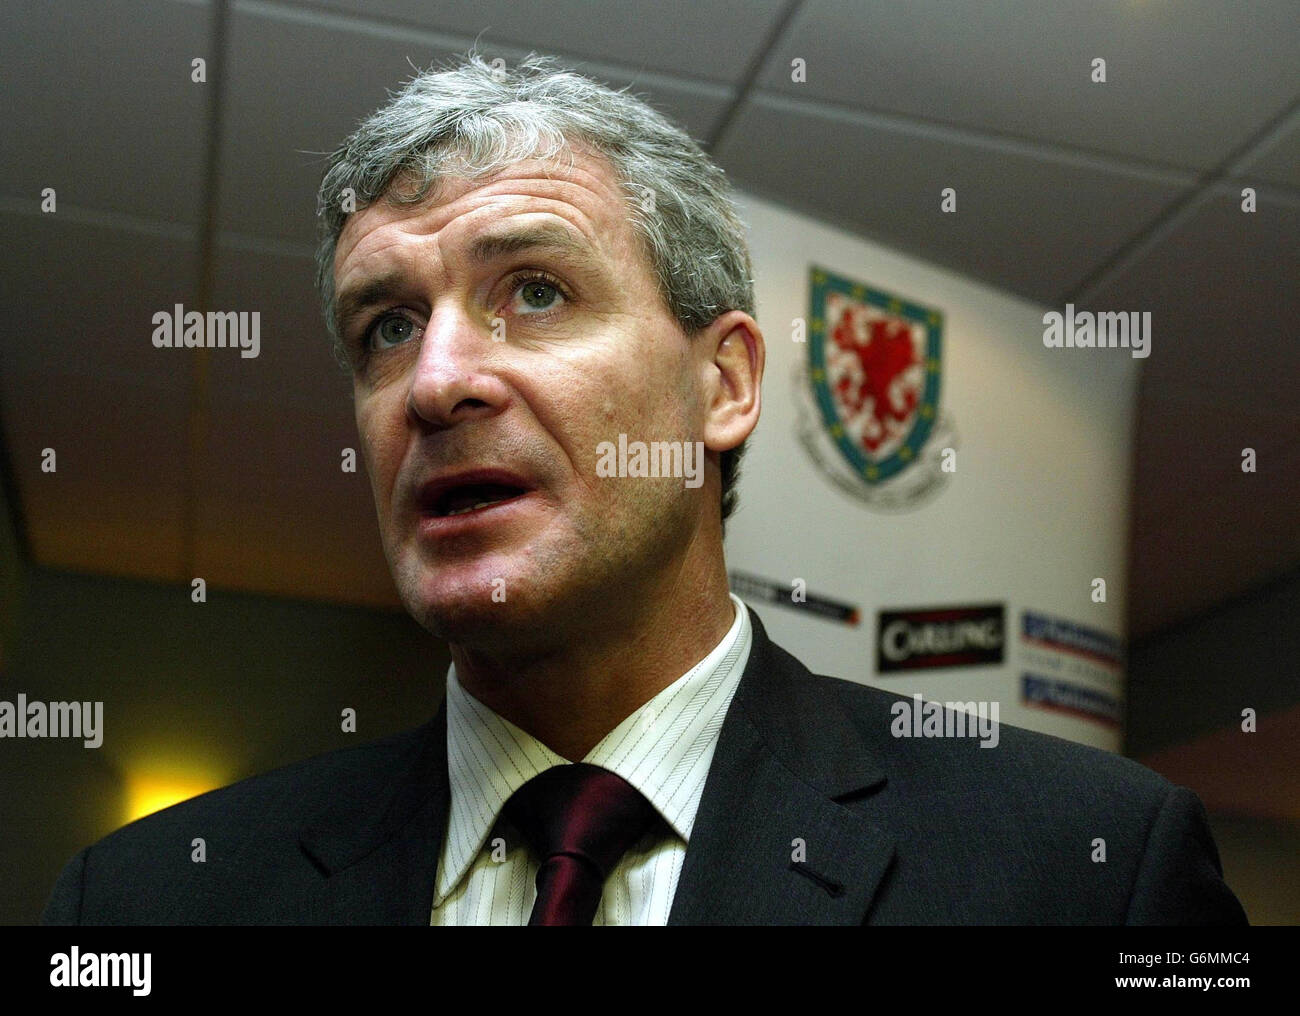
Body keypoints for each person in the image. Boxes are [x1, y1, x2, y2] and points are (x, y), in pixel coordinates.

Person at [42, 51, 1245, 926]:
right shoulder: (147, 902)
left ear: (722, 385)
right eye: (388, 325)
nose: (436, 380)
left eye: (537, 291)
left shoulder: (1086, 870)